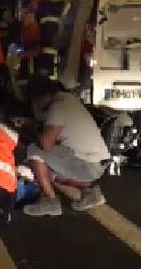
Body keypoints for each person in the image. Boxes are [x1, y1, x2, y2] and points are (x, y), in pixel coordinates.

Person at [22, 76, 111, 216]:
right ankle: (90, 193)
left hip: (88, 165)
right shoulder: (66, 99)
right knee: (46, 169)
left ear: (39, 98)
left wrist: (28, 128)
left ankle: (50, 202)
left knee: (34, 151)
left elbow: (45, 144)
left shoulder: (58, 107)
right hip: (95, 162)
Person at [10, 0, 62, 101]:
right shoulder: (29, 5)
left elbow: (50, 38)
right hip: (29, 68)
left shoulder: (45, 5)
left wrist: (43, 71)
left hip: (40, 72)